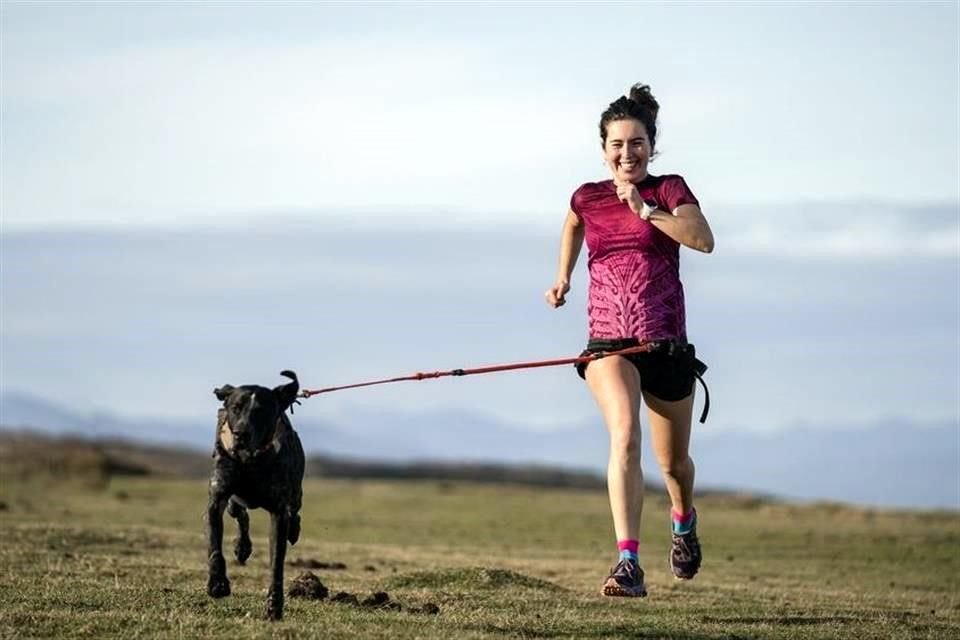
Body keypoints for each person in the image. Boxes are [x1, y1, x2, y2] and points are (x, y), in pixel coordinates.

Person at [545, 83, 715, 598]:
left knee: (673, 465)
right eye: (617, 145)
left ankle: (683, 520)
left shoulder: (669, 191)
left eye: (637, 143)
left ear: (651, 145)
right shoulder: (588, 195)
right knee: (625, 435)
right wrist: (563, 277)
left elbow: (703, 240)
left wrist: (647, 212)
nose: (627, 153)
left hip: (664, 343)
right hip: (607, 342)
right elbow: (574, 222)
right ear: (604, 150)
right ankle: (628, 563)